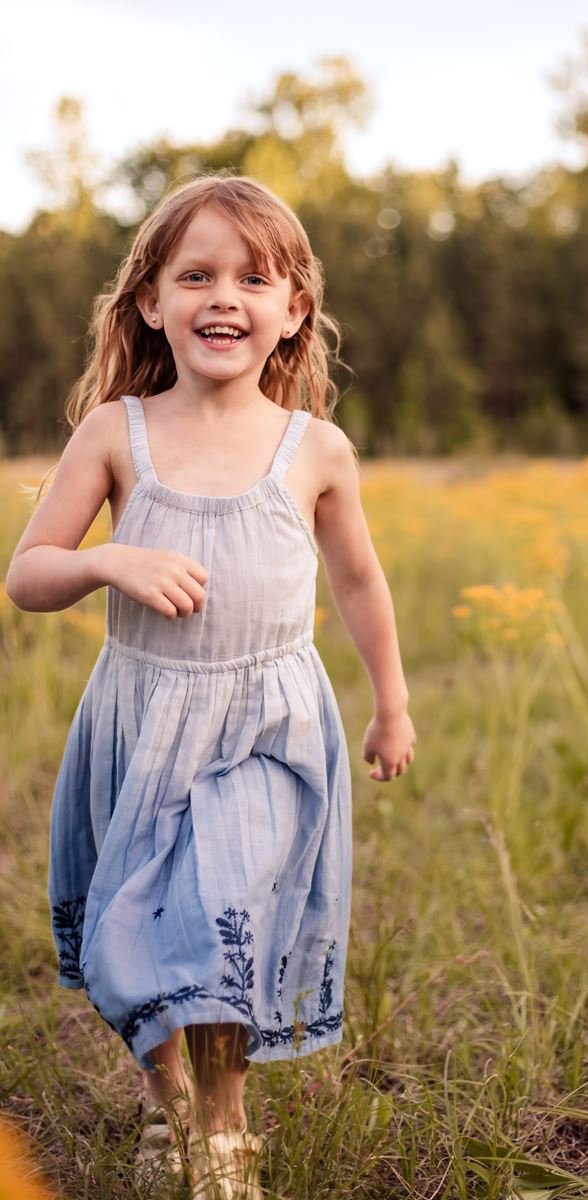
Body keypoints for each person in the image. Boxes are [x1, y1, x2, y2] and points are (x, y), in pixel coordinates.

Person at [5, 174, 416, 1199]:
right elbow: (27, 574)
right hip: (145, 724)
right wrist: (110, 562)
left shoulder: (314, 449)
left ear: (292, 312)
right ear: (151, 301)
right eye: (195, 274)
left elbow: (359, 580)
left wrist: (391, 701)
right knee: (140, 930)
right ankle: (165, 1103)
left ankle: (225, 1136)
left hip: (265, 727)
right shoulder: (117, 431)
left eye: (252, 277)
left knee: (218, 919)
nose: (222, 296)